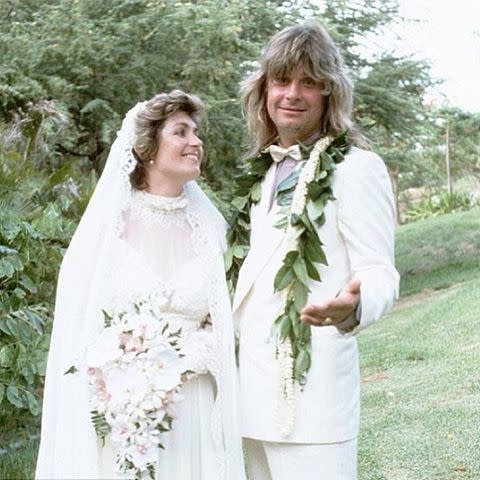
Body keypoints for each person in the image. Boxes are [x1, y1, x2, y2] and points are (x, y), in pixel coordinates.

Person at [36, 90, 246, 479]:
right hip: (122, 406)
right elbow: (79, 321)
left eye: (196, 132)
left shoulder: (211, 227)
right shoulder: (108, 226)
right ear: (148, 147)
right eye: (181, 132)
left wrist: (196, 354)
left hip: (194, 404)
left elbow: (224, 319)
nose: (196, 142)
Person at [231, 23, 399, 479]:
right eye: (282, 80)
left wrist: (354, 303)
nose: (293, 94)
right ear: (263, 90)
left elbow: (381, 269)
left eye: (309, 82)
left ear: (330, 93)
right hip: (247, 404)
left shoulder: (357, 169)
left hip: (313, 404)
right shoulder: (260, 175)